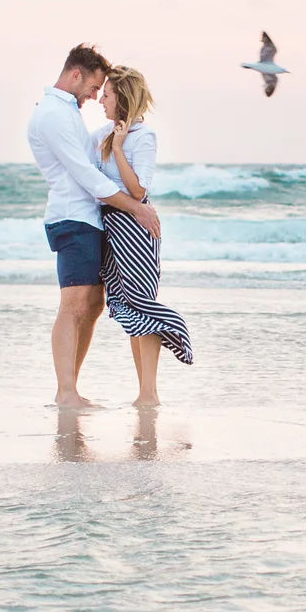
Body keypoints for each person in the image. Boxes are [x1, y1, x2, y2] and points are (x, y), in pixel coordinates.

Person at [25, 44, 161, 408]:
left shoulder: (64, 112)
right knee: (73, 305)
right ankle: (66, 391)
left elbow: (95, 163)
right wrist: (136, 208)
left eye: (104, 92)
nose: (95, 96)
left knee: (93, 304)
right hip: (73, 218)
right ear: (75, 75)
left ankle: (70, 387)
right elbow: (86, 174)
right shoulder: (54, 114)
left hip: (88, 219)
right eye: (94, 87)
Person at [96, 65, 193, 406]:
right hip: (112, 228)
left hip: (136, 229)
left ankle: (149, 393)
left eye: (107, 95)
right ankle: (145, 393)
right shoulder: (103, 133)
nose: (101, 101)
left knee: (143, 305)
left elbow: (138, 191)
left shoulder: (143, 137)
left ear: (123, 98)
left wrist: (118, 149)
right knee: (129, 309)